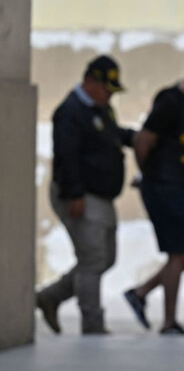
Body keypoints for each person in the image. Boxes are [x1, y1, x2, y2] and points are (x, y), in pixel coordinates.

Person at [123, 51, 184, 335]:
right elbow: (143, 141)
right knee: (178, 253)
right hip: (164, 186)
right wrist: (148, 175)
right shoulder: (169, 100)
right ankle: (168, 322)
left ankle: (141, 293)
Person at [36, 55, 134, 335]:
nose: (110, 96)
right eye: (106, 89)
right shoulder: (70, 111)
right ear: (90, 82)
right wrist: (74, 194)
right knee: (92, 258)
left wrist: (133, 137)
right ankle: (92, 323)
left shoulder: (102, 109)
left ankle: (51, 296)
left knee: (106, 258)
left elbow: (111, 135)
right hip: (80, 194)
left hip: (102, 196)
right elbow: (65, 156)